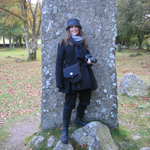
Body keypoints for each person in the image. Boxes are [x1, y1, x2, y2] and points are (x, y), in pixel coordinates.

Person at [55, 18, 98, 144]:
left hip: (84, 74)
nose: (74, 29)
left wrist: (89, 61)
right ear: (68, 29)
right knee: (69, 104)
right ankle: (65, 130)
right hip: (70, 77)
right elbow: (58, 63)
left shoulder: (83, 42)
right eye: (71, 27)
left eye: (76, 27)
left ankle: (78, 120)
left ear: (79, 28)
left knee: (85, 99)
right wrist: (59, 82)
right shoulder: (63, 43)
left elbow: (87, 55)